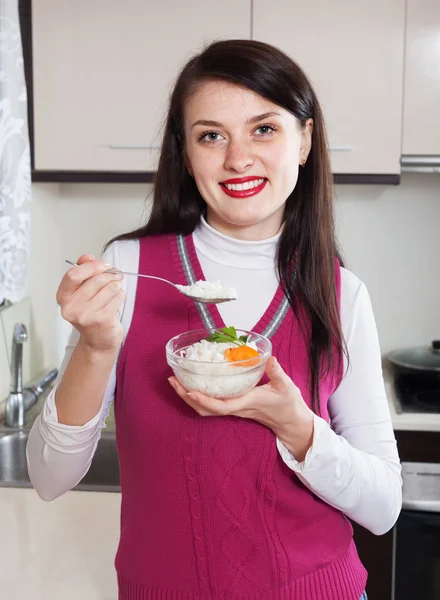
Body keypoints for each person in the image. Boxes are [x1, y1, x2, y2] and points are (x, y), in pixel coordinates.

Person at [26, 39, 401, 600]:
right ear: (186, 152)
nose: (238, 158)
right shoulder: (127, 268)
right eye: (211, 135)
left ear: (304, 140)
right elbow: (49, 477)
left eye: (264, 129)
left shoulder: (341, 293)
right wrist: (97, 347)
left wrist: (296, 427)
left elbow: (383, 507)